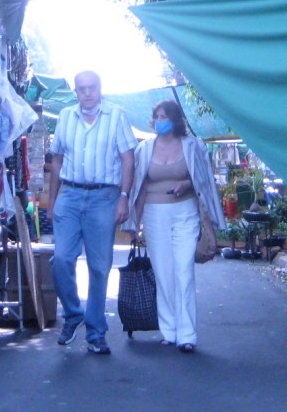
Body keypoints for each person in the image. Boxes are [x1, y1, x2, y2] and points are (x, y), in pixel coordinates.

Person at [47, 70, 136, 355]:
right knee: (61, 258)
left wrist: (123, 197)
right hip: (70, 195)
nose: (87, 93)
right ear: (76, 91)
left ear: (100, 88)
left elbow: (128, 159)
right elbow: (57, 161)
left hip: (104, 197)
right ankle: (73, 314)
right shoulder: (65, 116)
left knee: (99, 266)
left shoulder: (116, 115)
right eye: (82, 89)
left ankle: (96, 332)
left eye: (91, 88)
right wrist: (52, 200)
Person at [127, 99, 225, 353]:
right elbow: (139, 187)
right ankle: (169, 330)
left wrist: (187, 185)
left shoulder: (192, 146)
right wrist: (133, 224)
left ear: (176, 120)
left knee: (184, 271)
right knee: (163, 272)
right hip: (154, 214)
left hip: (185, 213)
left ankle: (188, 334)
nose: (161, 121)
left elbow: (203, 181)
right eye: (157, 116)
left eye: (166, 116)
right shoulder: (145, 149)